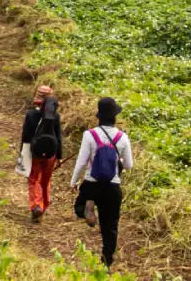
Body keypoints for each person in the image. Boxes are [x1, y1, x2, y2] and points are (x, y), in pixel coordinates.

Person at [71, 97, 134, 271]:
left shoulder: (89, 135)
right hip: (112, 187)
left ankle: (88, 205)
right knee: (110, 226)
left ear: (99, 116)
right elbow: (129, 165)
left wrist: (74, 181)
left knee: (79, 207)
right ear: (115, 117)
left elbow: (82, 161)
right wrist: (118, 158)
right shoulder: (123, 137)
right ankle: (106, 262)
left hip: (92, 184)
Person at [21, 86, 63, 222]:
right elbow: (58, 137)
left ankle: (36, 205)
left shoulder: (31, 115)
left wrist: (22, 154)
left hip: (35, 153)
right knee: (46, 180)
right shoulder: (55, 117)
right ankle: (43, 207)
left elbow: (26, 137)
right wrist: (60, 157)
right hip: (51, 154)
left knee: (33, 179)